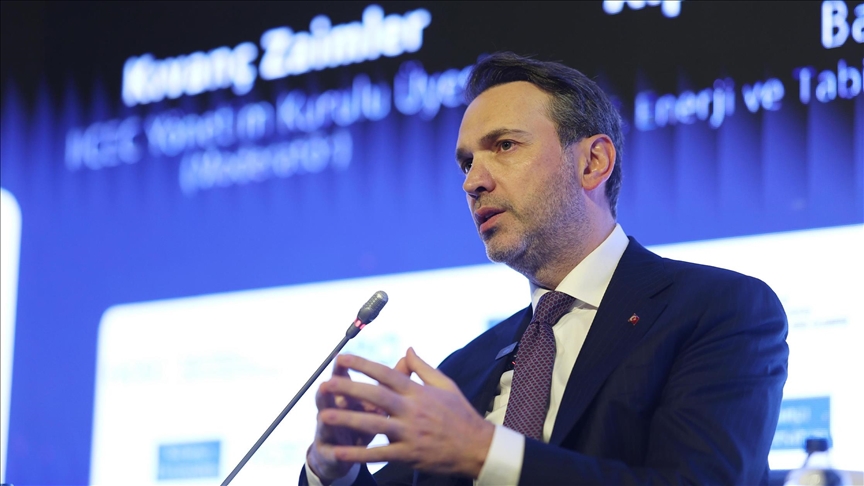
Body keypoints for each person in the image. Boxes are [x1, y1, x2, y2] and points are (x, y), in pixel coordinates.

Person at [300, 52, 789, 485]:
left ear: (593, 162)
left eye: (504, 146)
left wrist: (483, 450)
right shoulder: (467, 367)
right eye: (466, 162)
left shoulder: (716, 311)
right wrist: (334, 468)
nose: (473, 182)